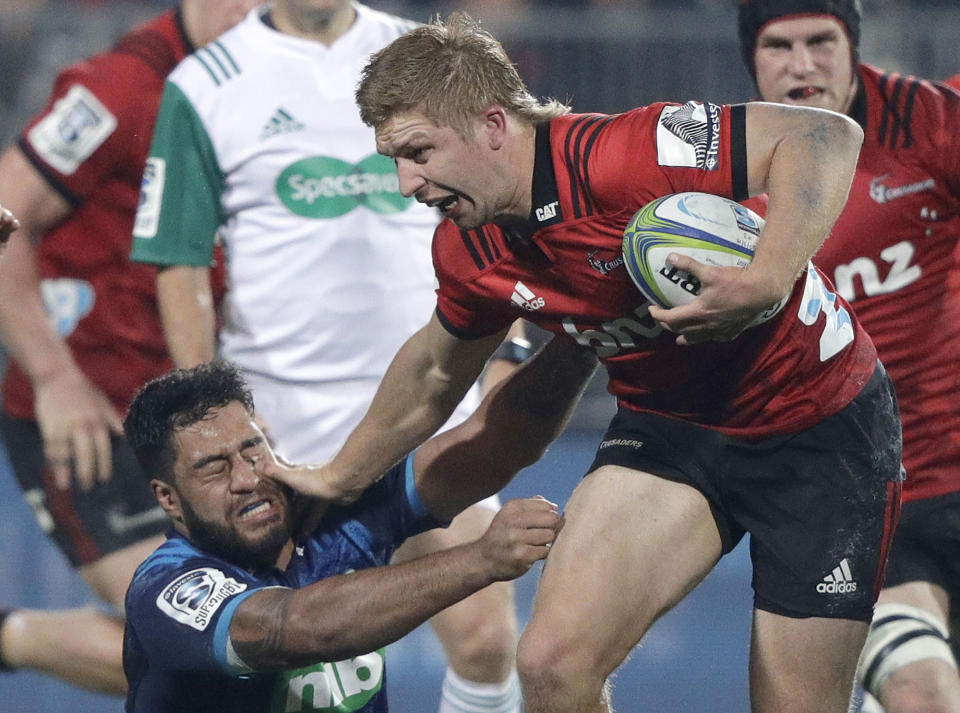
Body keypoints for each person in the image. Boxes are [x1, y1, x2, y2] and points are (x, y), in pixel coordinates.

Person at [259, 12, 907, 713]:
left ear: (493, 124)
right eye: (394, 158)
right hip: (672, 430)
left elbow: (823, 134)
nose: (405, 182)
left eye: (418, 151)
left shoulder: (625, 152)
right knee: (551, 664)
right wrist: (337, 476)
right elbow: (434, 374)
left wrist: (768, 276)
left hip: (821, 431)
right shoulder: (467, 246)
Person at [129, 3, 532, 711]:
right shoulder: (206, 81)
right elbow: (180, 261)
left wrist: (515, 346)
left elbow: (499, 200)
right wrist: (216, 432)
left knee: (486, 638)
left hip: (429, 395)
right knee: (296, 654)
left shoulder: (422, 54)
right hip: (282, 429)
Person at [0, 0, 263, 695]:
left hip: (212, 412)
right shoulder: (120, 87)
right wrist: (55, 376)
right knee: (200, 638)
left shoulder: (280, 80)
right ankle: (11, 634)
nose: (258, 11)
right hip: (93, 416)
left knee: (263, 639)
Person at [122, 340, 597, 712]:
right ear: (169, 499)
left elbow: (497, 438)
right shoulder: (169, 587)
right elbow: (293, 628)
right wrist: (479, 559)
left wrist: (583, 337)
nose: (247, 479)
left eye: (253, 449)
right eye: (215, 468)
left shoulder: (327, 517)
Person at [736, 2, 960, 712]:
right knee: (924, 693)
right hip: (865, 497)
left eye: (820, 41)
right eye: (780, 45)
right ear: (752, 58)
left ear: (853, 46)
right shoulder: (720, 185)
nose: (802, 64)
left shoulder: (929, 123)